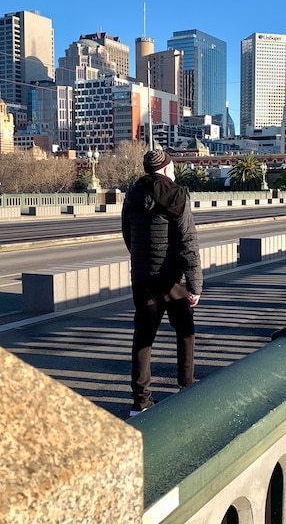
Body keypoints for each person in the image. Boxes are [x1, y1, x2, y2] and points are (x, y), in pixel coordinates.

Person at [121, 149, 202, 417]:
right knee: (185, 330)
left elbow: (127, 234)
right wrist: (195, 285)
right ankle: (187, 386)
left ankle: (140, 402)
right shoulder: (178, 195)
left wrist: (143, 262)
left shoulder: (132, 194)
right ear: (167, 169)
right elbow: (188, 242)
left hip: (143, 279)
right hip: (172, 280)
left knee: (143, 337)